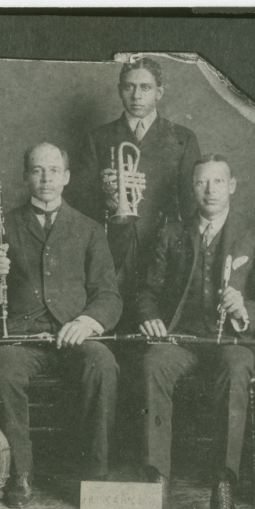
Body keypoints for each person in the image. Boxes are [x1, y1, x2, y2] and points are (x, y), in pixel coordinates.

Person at [137, 155, 255, 509]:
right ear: (192, 188)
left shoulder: (254, 232)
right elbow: (147, 290)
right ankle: (158, 483)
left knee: (236, 367)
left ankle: (223, 485)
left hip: (233, 338)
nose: (210, 190)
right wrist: (151, 317)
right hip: (181, 338)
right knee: (153, 364)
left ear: (232, 185)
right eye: (201, 183)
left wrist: (245, 307)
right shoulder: (171, 232)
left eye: (218, 182)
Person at [0, 142, 122, 507]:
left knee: (103, 363)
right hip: (22, 338)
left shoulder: (90, 229)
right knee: (2, 368)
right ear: (26, 176)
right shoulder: (4, 225)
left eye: (54, 170)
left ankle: (96, 475)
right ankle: (20, 474)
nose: (46, 178)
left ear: (67, 177)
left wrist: (87, 322)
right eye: (37, 170)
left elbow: (109, 295)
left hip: (73, 335)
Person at [69, 57, 201, 333]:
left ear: (159, 92)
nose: (137, 95)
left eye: (145, 87)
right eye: (129, 87)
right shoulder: (98, 137)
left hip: (162, 248)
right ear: (119, 90)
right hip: (113, 247)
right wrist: (105, 194)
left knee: (154, 328)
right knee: (111, 324)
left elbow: (191, 205)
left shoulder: (182, 137)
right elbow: (77, 202)